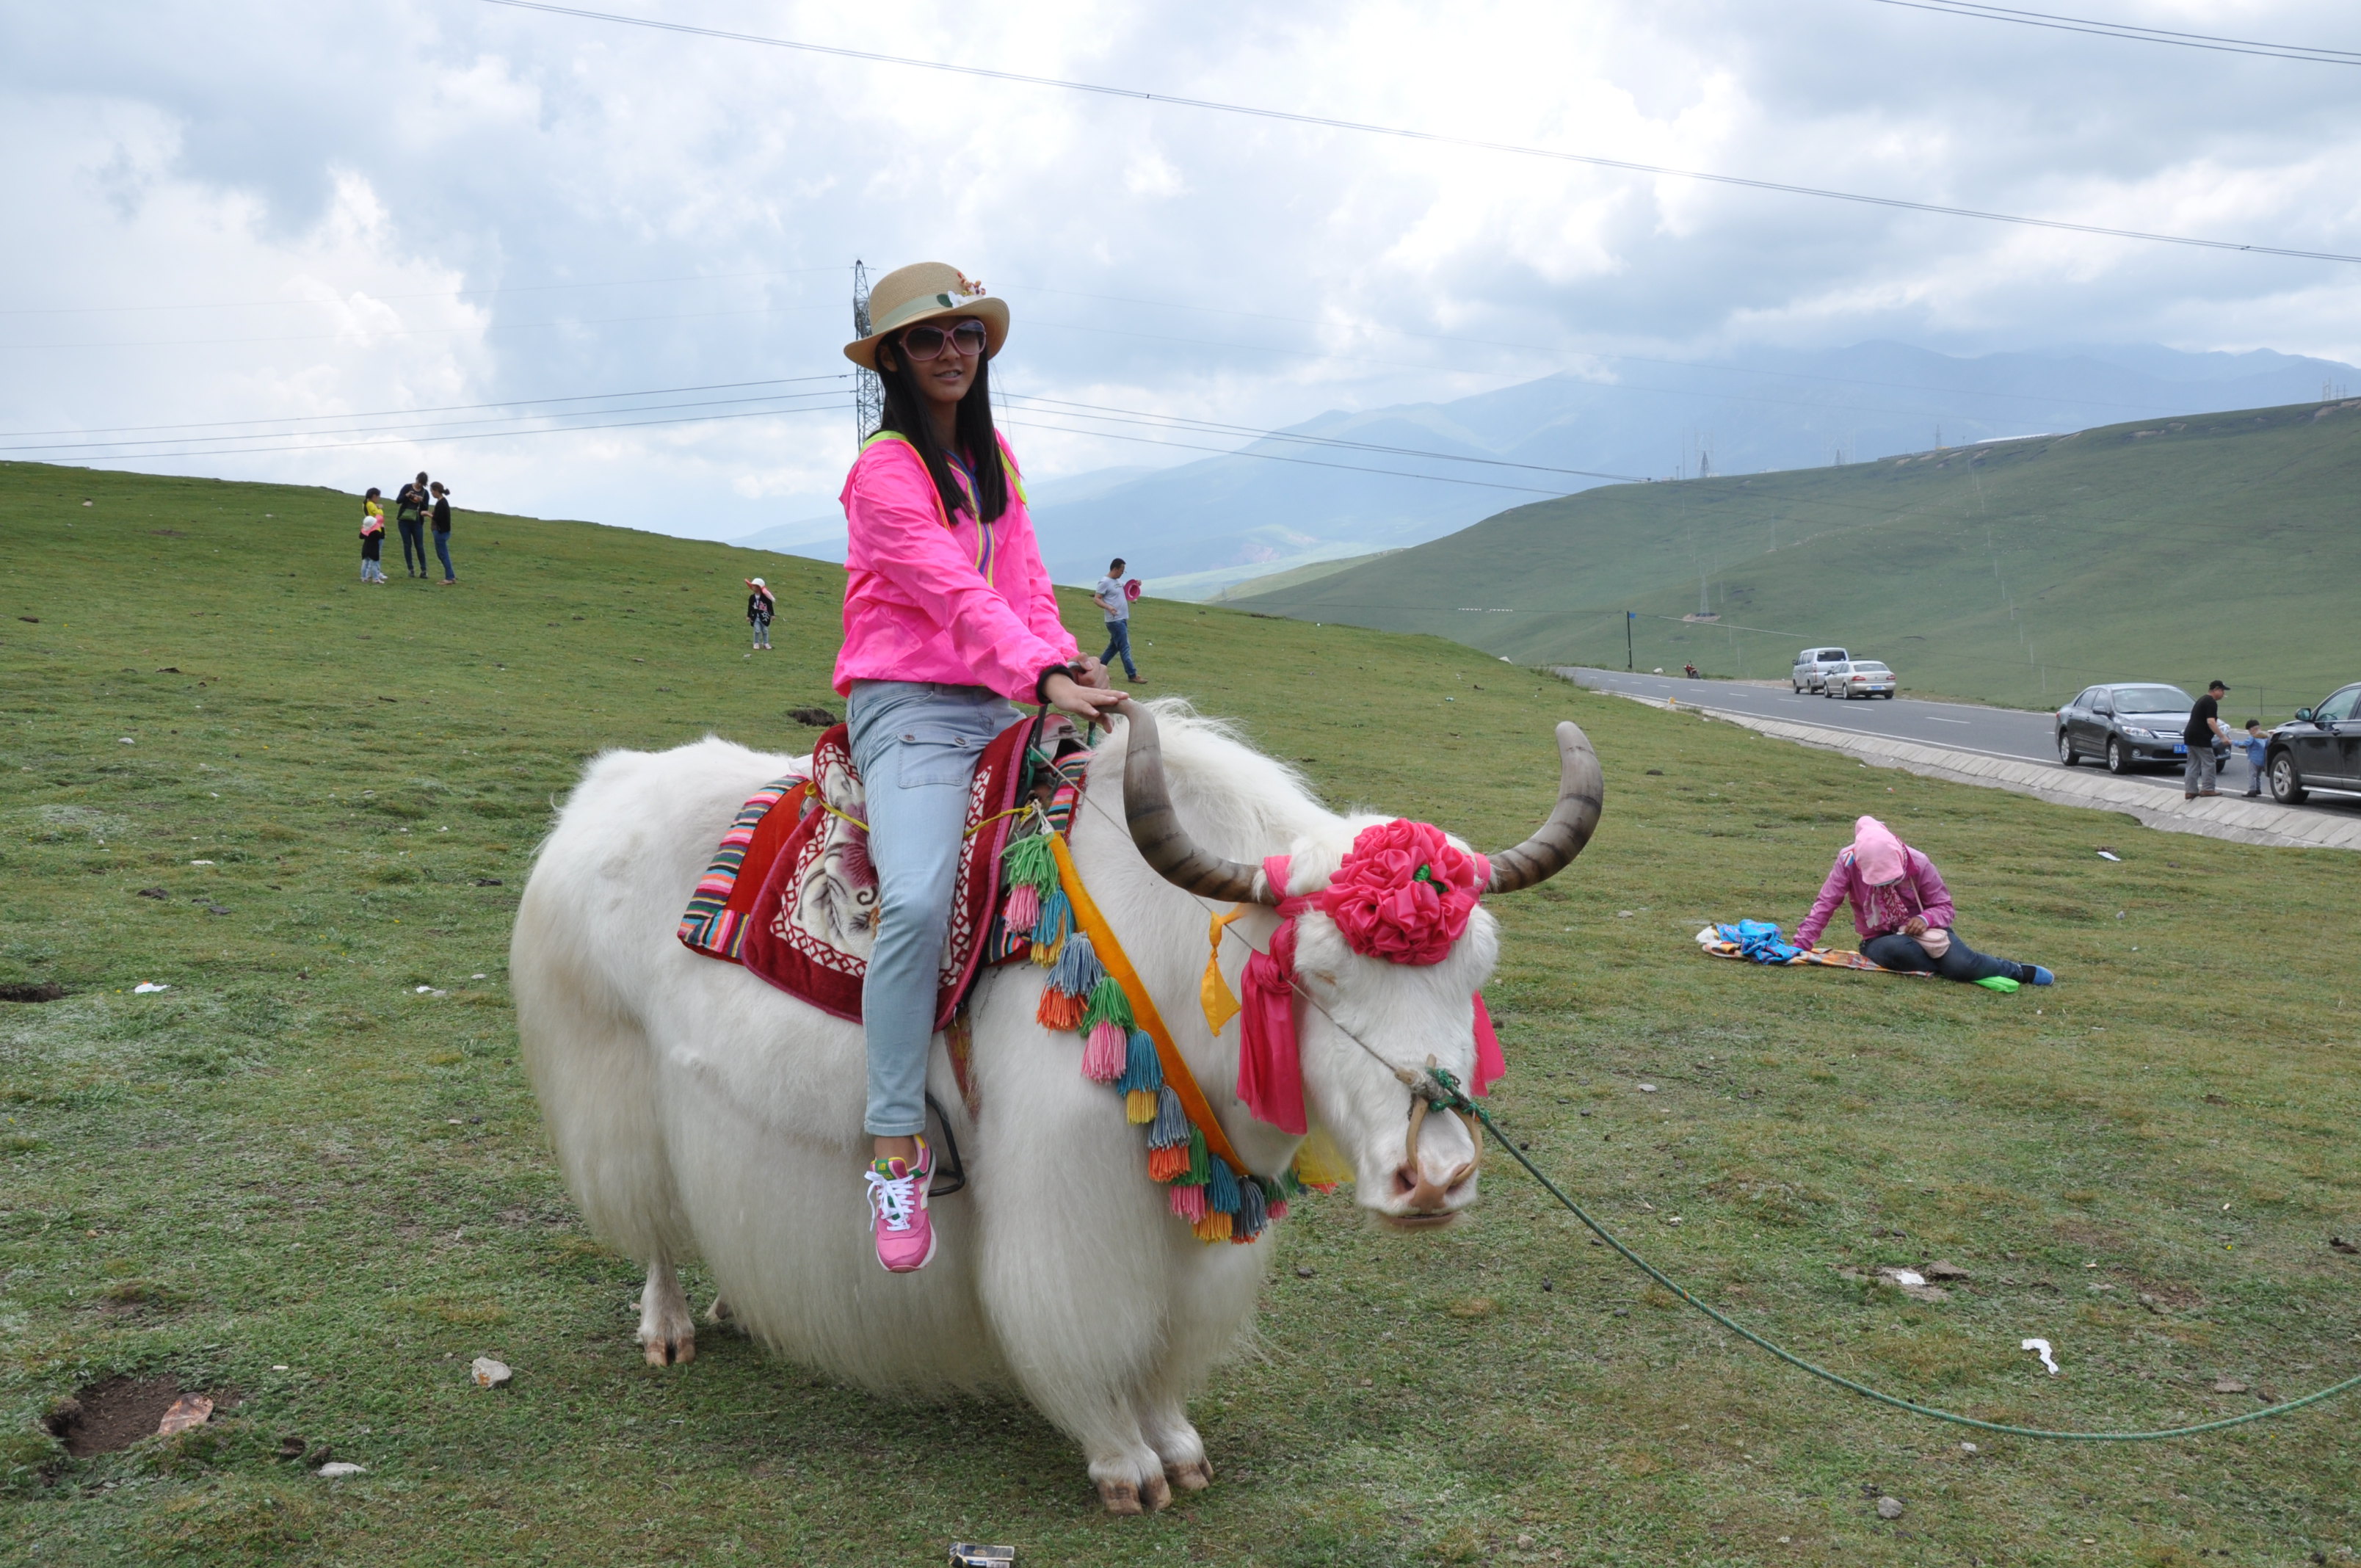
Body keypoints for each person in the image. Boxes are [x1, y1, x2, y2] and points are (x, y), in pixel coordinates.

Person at [835, 261, 1125, 1273]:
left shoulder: (993, 455)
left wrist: (1065, 663)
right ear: (895, 361)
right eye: (928, 339)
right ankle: (893, 1146)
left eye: (964, 336)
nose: (951, 352)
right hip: (910, 706)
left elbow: (1027, 585)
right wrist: (1037, 674)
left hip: (1004, 693)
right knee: (915, 900)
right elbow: (952, 595)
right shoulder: (883, 471)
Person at [1794, 816, 2053, 987]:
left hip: (1930, 934)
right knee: (1899, 951)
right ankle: (1958, 968)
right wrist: (1800, 946)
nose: (1885, 886)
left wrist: (1923, 919)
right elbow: (1826, 904)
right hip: (1880, 939)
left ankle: (2017, 971)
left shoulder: (1918, 862)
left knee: (1962, 965)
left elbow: (1945, 908)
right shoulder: (1848, 862)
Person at [1094, 556, 1141, 683]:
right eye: (1121, 570)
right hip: (1115, 621)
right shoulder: (1105, 582)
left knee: (1113, 648)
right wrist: (1108, 607)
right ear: (1115, 569)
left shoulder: (1118, 582)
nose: (1122, 573)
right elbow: (1097, 598)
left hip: (1122, 618)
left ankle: (1098, 670)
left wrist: (1136, 584)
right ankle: (1132, 675)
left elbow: (1129, 590)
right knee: (1125, 647)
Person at [2184, 679, 2230, 799]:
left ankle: (2190, 791)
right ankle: (2208, 789)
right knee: (2209, 762)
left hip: (2190, 735)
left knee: (2193, 763)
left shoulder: (2201, 699)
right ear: (2216, 690)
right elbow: (2211, 722)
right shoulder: (2211, 702)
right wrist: (2222, 736)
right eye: (2222, 691)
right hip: (2201, 737)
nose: (2223, 694)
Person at [395, 472, 430, 579]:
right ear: (416, 479)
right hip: (404, 521)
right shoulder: (407, 487)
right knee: (407, 544)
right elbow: (398, 501)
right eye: (419, 482)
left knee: (419, 546)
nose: (419, 485)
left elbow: (425, 509)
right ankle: (411, 569)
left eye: (422, 484)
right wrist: (407, 496)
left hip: (417, 522)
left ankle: (424, 570)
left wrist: (421, 501)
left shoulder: (425, 493)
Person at [429, 482, 456, 584]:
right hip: (442, 532)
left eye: (432, 491)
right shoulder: (442, 502)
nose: (432, 493)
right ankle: (451, 576)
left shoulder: (442, 503)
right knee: (442, 555)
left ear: (436, 491)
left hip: (441, 532)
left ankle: (449, 578)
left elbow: (438, 518)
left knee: (443, 555)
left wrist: (427, 514)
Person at [359, 488, 387, 583]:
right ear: (374, 496)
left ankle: (368, 574)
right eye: (378, 496)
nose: (379, 498)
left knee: (367, 558)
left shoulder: (365, 503)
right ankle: (374, 574)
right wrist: (379, 508)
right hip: (376, 529)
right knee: (375, 554)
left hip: (368, 529)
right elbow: (379, 515)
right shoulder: (371, 504)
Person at [2235, 718, 2268, 797]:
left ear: (2252, 729)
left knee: (2252, 775)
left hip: (2253, 760)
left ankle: (2252, 790)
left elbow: (2244, 744)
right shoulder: (2264, 737)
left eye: (2249, 730)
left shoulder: (2252, 737)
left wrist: (2233, 742)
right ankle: (2258, 789)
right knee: (2258, 776)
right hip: (2262, 761)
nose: (2249, 732)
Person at [746, 576, 775, 650]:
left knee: (765, 630)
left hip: (764, 616)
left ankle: (765, 643)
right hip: (755, 617)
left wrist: (772, 614)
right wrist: (749, 616)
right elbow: (750, 607)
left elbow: (770, 606)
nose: (753, 587)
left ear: (759, 587)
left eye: (755, 586)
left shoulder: (765, 598)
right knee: (757, 630)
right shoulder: (752, 598)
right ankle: (756, 642)